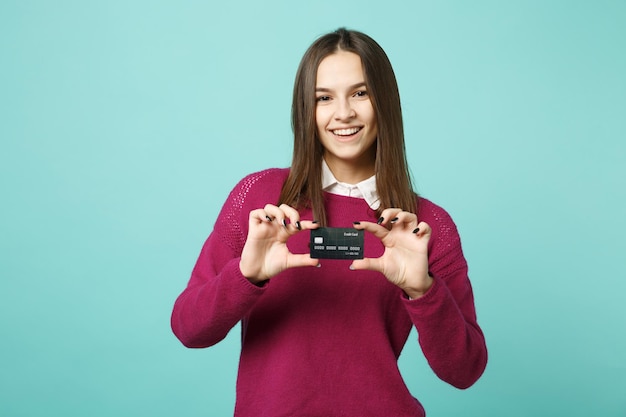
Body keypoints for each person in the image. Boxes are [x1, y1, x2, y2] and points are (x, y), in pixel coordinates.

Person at [171, 28, 487, 417]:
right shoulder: (258, 198)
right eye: (324, 98)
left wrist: (423, 291)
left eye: (360, 93)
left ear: (384, 101)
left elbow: (465, 370)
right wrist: (246, 276)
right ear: (306, 109)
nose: (344, 113)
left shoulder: (424, 225)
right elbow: (188, 328)